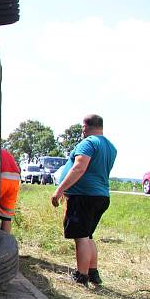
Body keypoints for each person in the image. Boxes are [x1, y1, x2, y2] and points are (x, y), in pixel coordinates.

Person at [51, 114, 117, 286]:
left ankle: (81, 276)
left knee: (80, 237)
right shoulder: (110, 146)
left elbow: (79, 167)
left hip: (85, 197)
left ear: (86, 127)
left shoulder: (88, 143)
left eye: (82, 127)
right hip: (101, 196)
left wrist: (60, 190)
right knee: (88, 236)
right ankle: (93, 272)